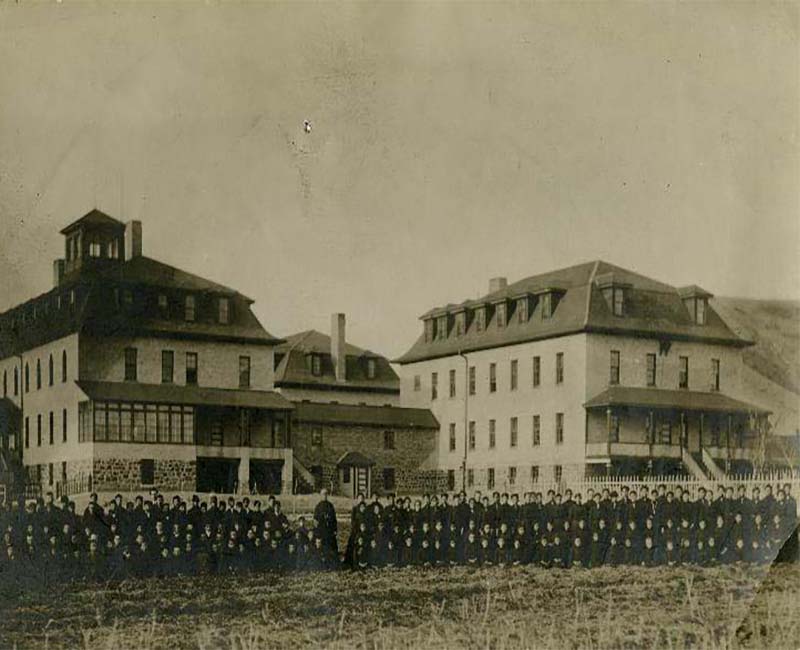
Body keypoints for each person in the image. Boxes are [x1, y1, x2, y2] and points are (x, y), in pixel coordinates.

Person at [314, 489, 338, 554]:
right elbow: (315, 520)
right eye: (323, 494)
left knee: (331, 547)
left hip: (329, 530)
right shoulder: (318, 507)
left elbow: (334, 518)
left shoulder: (330, 506)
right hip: (321, 530)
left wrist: (335, 529)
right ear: (321, 495)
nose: (324, 496)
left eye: (326, 494)